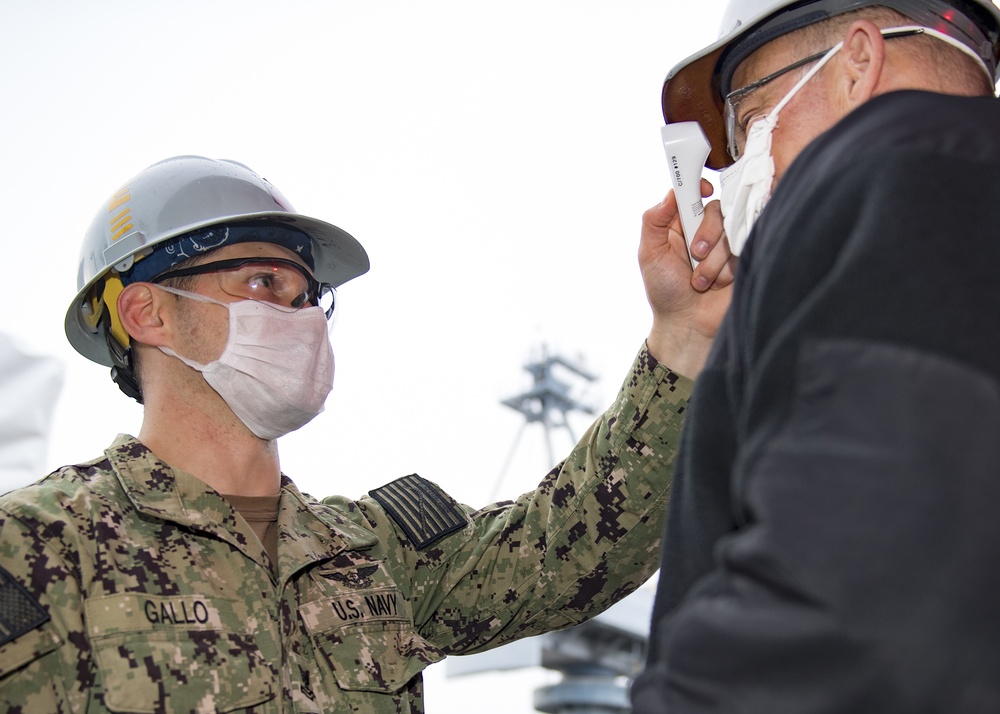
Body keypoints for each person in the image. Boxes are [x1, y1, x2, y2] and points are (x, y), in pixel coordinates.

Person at [0, 155, 731, 712]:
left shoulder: (370, 554)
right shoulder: (38, 546)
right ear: (148, 314)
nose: (302, 314)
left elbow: (577, 543)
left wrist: (682, 335)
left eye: (308, 294)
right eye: (261, 284)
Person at [631, 0, 1000, 710]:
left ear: (859, 63)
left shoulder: (893, 174)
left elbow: (854, 608)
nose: (734, 174)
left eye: (750, 118)